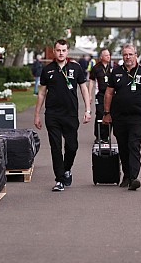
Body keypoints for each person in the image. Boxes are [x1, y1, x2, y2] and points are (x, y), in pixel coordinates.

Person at [103, 44, 141, 190]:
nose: (128, 57)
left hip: (137, 118)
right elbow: (109, 93)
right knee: (123, 148)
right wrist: (106, 113)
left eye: (130, 54)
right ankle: (127, 175)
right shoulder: (116, 72)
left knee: (133, 145)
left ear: (136, 55)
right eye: (125, 55)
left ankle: (134, 178)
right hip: (119, 118)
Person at [34, 39, 92, 192]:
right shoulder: (47, 70)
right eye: (58, 50)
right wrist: (37, 115)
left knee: (72, 146)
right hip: (52, 114)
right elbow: (41, 93)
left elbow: (84, 89)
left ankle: (66, 169)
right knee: (55, 147)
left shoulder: (75, 68)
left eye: (63, 50)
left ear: (67, 51)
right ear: (54, 51)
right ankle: (59, 179)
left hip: (70, 114)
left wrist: (87, 110)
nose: (61, 53)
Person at [88, 48, 112, 142]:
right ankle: (98, 136)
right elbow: (91, 81)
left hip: (110, 95)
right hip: (100, 94)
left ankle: (106, 136)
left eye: (109, 55)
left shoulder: (113, 67)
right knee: (100, 113)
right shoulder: (96, 68)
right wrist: (89, 95)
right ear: (101, 57)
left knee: (110, 114)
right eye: (106, 55)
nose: (108, 57)